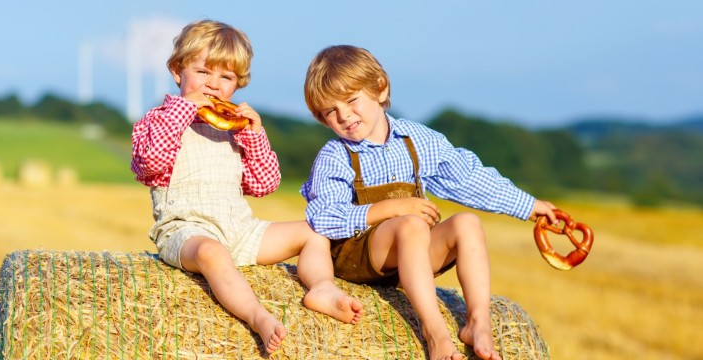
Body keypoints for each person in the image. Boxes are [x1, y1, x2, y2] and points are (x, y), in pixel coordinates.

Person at [300, 45, 559, 360]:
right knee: (410, 224)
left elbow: (468, 178)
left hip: (412, 259)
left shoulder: (416, 139)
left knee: (466, 223)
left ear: (380, 89)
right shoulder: (335, 155)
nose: (344, 115)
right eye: (330, 111)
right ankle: (435, 333)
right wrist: (392, 209)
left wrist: (529, 206)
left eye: (352, 100)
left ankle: (477, 321)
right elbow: (322, 217)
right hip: (359, 259)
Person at [130, 20, 363, 355]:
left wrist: (254, 135)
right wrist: (183, 110)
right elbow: (149, 164)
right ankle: (258, 317)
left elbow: (265, 183)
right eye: (203, 72)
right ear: (177, 71)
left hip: (240, 229)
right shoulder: (157, 120)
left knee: (314, 231)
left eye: (226, 78)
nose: (212, 85)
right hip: (187, 231)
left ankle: (323, 289)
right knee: (212, 253)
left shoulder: (233, 128)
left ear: (238, 84)